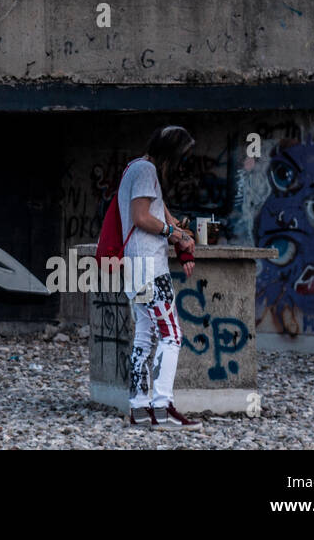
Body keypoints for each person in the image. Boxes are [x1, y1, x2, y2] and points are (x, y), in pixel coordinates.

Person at [120, 125, 202, 431]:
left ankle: (139, 408)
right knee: (172, 335)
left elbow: (157, 209)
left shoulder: (135, 168)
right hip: (150, 269)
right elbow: (142, 217)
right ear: (169, 153)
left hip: (135, 268)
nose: (181, 165)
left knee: (144, 336)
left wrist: (176, 231)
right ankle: (163, 408)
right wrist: (173, 232)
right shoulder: (145, 171)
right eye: (180, 157)